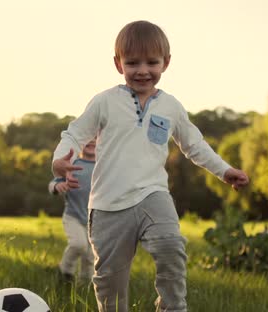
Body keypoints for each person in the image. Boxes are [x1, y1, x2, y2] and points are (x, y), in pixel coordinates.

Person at [51, 20, 249, 312]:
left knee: (171, 247)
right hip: (108, 206)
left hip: (152, 195)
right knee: (109, 281)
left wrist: (224, 170)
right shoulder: (105, 102)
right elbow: (75, 133)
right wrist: (60, 158)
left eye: (151, 62)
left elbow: (194, 144)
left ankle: (173, 307)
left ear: (166, 63)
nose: (142, 70)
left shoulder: (171, 107)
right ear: (118, 64)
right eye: (132, 63)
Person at [48, 139, 96, 283]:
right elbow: (52, 184)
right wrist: (58, 186)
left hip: (95, 220)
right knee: (78, 244)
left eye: (96, 137)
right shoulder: (72, 164)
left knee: (90, 257)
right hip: (73, 216)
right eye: (89, 137)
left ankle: (85, 285)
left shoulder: (103, 165)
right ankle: (65, 272)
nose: (92, 140)